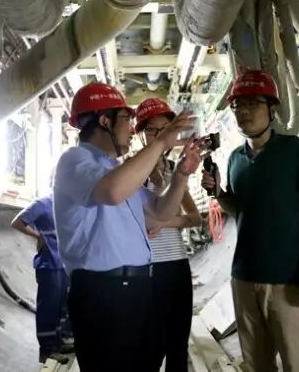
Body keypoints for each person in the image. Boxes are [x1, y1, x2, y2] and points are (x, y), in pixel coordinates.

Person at [53, 82, 205, 372]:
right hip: (102, 292)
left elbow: (159, 212)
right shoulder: (74, 160)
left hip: (136, 288)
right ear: (104, 121)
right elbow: (111, 193)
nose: (132, 128)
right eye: (126, 119)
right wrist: (160, 144)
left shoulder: (115, 169)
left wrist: (181, 176)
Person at [201, 69, 299, 372]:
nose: (243, 111)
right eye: (238, 105)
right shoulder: (235, 159)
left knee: (296, 364)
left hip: (288, 281)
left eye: (252, 103)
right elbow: (241, 209)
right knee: (257, 365)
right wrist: (219, 193)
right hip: (244, 279)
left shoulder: (294, 150)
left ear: (272, 108)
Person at [135, 98, 203, 372]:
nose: (159, 135)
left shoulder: (175, 171)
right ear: (140, 134)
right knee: (150, 347)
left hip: (176, 266)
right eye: (152, 130)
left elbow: (195, 217)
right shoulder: (130, 170)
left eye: (165, 128)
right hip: (145, 269)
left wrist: (166, 223)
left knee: (178, 344)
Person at [11, 197, 72, 363]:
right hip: (49, 264)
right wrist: (38, 236)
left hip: (63, 264)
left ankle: (58, 343)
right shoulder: (42, 204)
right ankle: (47, 350)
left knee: (61, 307)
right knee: (49, 308)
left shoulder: (66, 203)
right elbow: (17, 222)